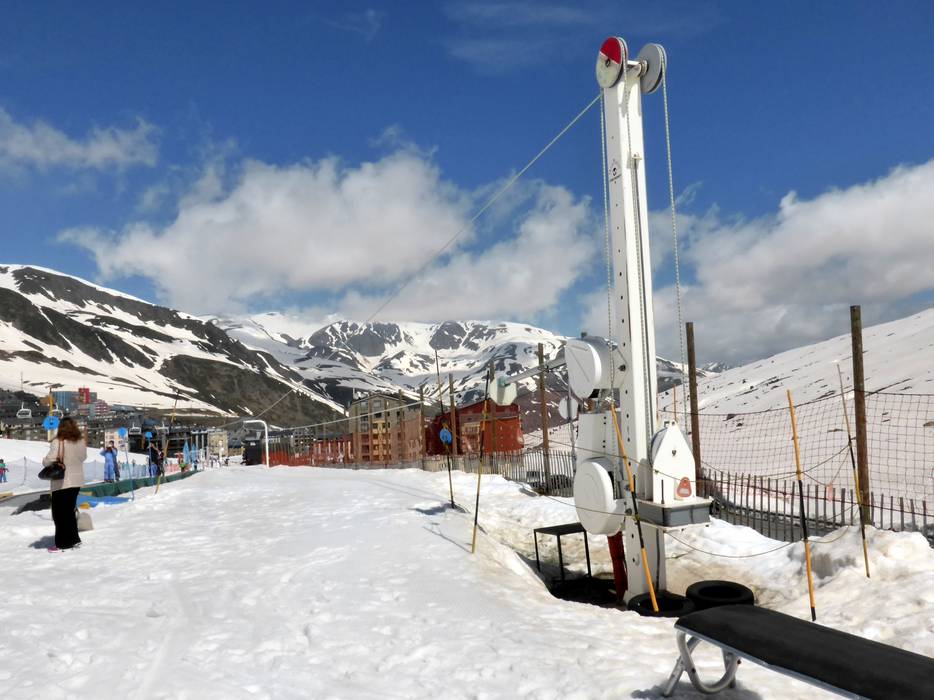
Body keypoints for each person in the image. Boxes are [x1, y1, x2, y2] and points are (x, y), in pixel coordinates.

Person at [42, 417, 86, 551]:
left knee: (59, 514)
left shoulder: (58, 441)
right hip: (77, 480)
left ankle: (62, 543)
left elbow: (49, 459)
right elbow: (83, 457)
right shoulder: (80, 441)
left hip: (62, 481)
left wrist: (44, 461)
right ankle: (74, 539)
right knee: (70, 511)